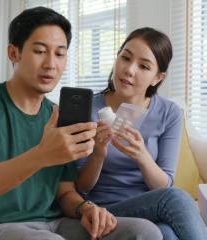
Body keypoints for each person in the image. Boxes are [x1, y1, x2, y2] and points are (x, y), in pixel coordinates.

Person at [0, 7, 163, 240]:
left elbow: (65, 191)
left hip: (54, 223)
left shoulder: (58, 115)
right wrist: (41, 155)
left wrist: (86, 208)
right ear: (13, 53)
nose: (51, 64)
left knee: (144, 232)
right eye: (40, 51)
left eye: (60, 54)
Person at [76, 27, 207, 240]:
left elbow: (164, 184)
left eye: (143, 66)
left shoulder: (169, 113)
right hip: (104, 210)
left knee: (167, 235)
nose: (129, 70)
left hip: (152, 208)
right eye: (125, 58)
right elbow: (80, 188)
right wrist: (99, 153)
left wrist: (142, 156)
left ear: (157, 78)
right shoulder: (88, 109)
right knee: (177, 199)